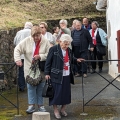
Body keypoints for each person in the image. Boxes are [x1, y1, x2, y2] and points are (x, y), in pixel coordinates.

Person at [44, 34, 84, 119]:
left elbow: (71, 58)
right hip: (56, 75)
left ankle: (63, 109)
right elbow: (48, 62)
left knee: (66, 93)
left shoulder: (68, 50)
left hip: (66, 74)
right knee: (56, 93)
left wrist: (76, 60)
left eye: (68, 44)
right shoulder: (53, 49)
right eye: (65, 44)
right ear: (60, 41)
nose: (66, 46)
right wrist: (46, 73)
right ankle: (55, 110)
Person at [14, 26, 50, 113]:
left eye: (37, 36)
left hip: (41, 68)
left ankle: (41, 106)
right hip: (29, 69)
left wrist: (40, 56)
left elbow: (49, 54)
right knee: (30, 87)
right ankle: (31, 106)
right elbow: (17, 49)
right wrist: (18, 59)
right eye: (34, 36)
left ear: (40, 34)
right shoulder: (27, 40)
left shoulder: (45, 41)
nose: (35, 38)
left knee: (40, 87)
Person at [14, 22, 33, 92]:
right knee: (31, 70)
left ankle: (21, 86)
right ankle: (30, 85)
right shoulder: (32, 32)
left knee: (21, 71)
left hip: (20, 55)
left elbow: (15, 42)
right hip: (29, 55)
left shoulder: (19, 32)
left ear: (25, 26)